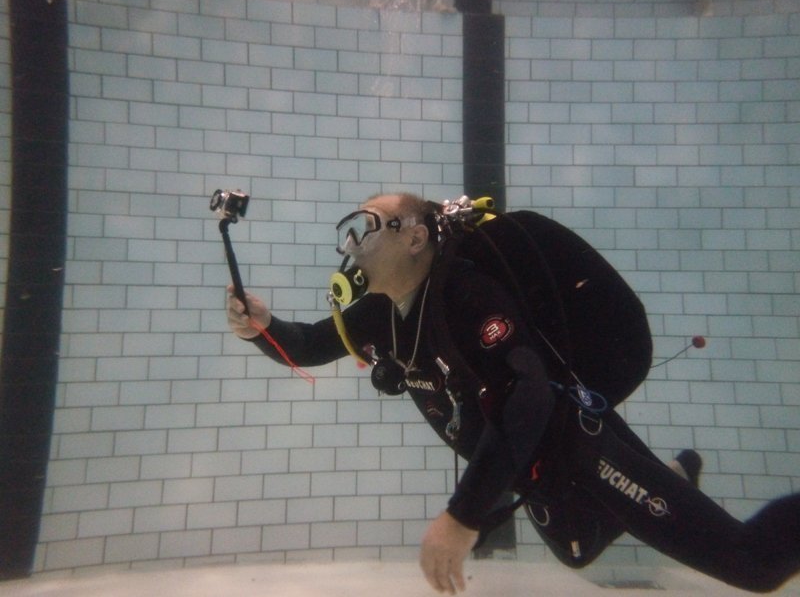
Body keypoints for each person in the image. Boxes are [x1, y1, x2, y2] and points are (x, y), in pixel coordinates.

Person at [226, 192, 800, 595]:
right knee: (578, 549)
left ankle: (664, 480)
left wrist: (463, 515)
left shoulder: (468, 296)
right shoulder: (381, 314)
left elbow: (530, 394)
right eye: (350, 229)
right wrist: (261, 326)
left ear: (416, 237)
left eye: (368, 224)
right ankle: (674, 474)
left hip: (579, 448)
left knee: (754, 565)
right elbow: (307, 345)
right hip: (528, 467)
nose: (352, 242)